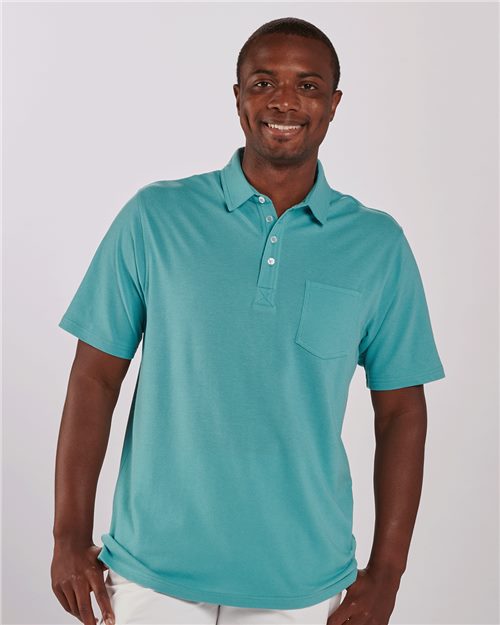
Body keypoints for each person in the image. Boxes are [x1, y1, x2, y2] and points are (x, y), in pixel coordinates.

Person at [51, 16, 446, 625]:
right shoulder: (155, 217)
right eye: (264, 83)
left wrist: (387, 575)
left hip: (303, 584)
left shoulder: (377, 245)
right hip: (151, 575)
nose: (284, 101)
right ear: (238, 97)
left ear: (334, 105)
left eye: (308, 86)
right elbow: (94, 379)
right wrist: (67, 538)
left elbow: (400, 412)